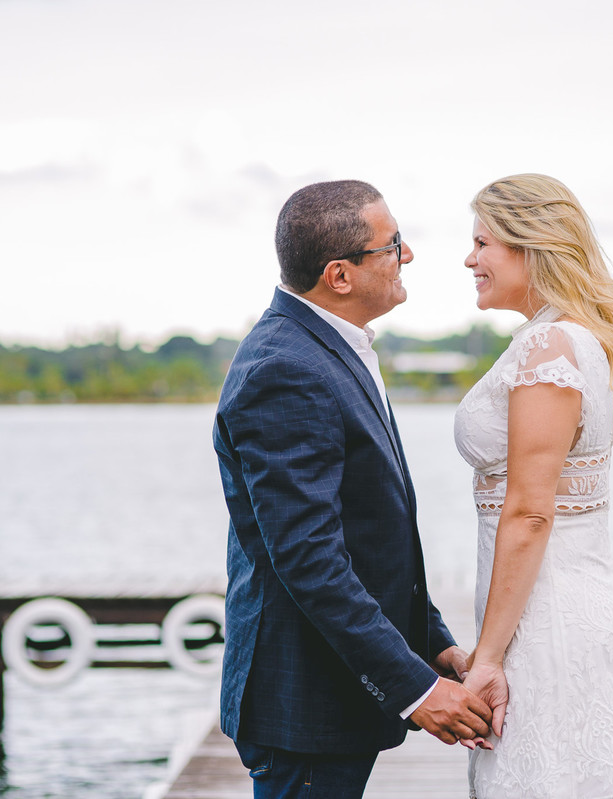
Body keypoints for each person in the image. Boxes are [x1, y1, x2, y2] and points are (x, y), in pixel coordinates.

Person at [212, 180, 493, 799]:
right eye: (393, 245)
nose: (409, 256)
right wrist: (416, 690)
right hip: (304, 705)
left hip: (327, 699)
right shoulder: (285, 369)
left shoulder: (330, 347)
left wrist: (434, 645)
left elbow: (369, 536)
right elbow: (310, 561)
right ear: (340, 275)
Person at [455, 174, 613, 797]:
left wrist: (488, 657)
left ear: (530, 245)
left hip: (548, 625)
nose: (470, 259)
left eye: (483, 243)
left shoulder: (551, 344)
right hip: (561, 608)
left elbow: (528, 513)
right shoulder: (568, 338)